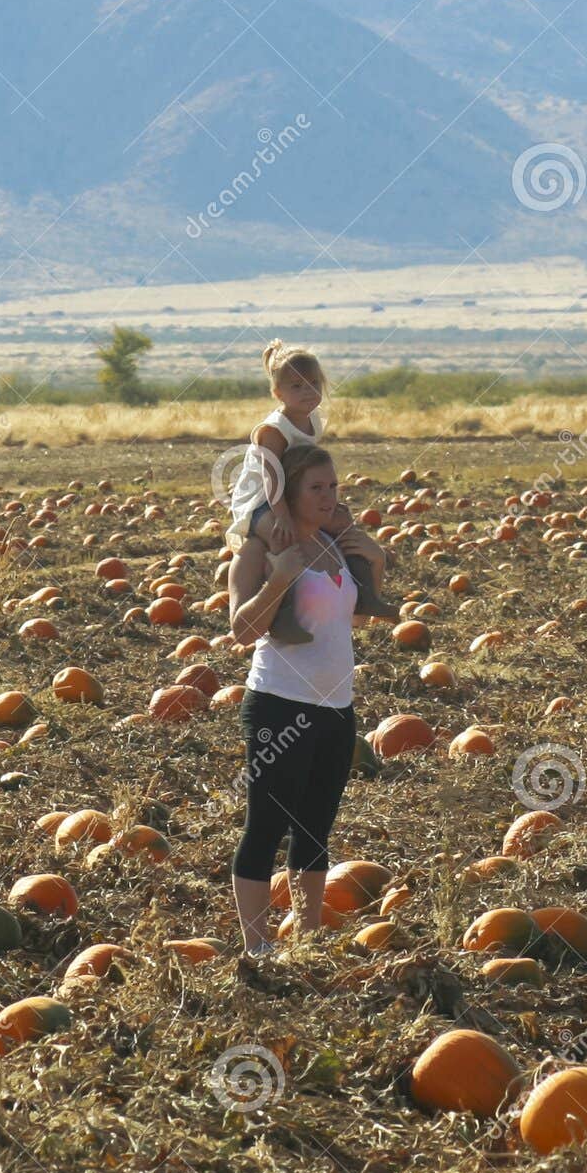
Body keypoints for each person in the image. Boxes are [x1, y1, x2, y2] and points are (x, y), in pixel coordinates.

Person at [226, 443, 386, 958]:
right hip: (280, 704)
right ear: (288, 494)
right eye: (316, 488)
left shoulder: (334, 546)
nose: (329, 496)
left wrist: (375, 564)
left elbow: (353, 620)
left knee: (316, 825)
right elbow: (242, 630)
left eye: (334, 487)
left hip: (337, 708)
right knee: (266, 825)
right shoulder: (263, 551)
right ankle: (257, 945)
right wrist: (279, 577)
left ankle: (310, 934)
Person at [227, 339, 397, 643]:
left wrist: (331, 503)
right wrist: (283, 518)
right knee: (285, 539)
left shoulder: (312, 421)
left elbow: (305, 469)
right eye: (296, 386)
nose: (307, 391)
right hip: (260, 504)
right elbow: (272, 479)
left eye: (313, 384)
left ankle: (366, 595)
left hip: (288, 497)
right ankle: (284, 617)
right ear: (278, 393)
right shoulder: (273, 430)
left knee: (344, 526)